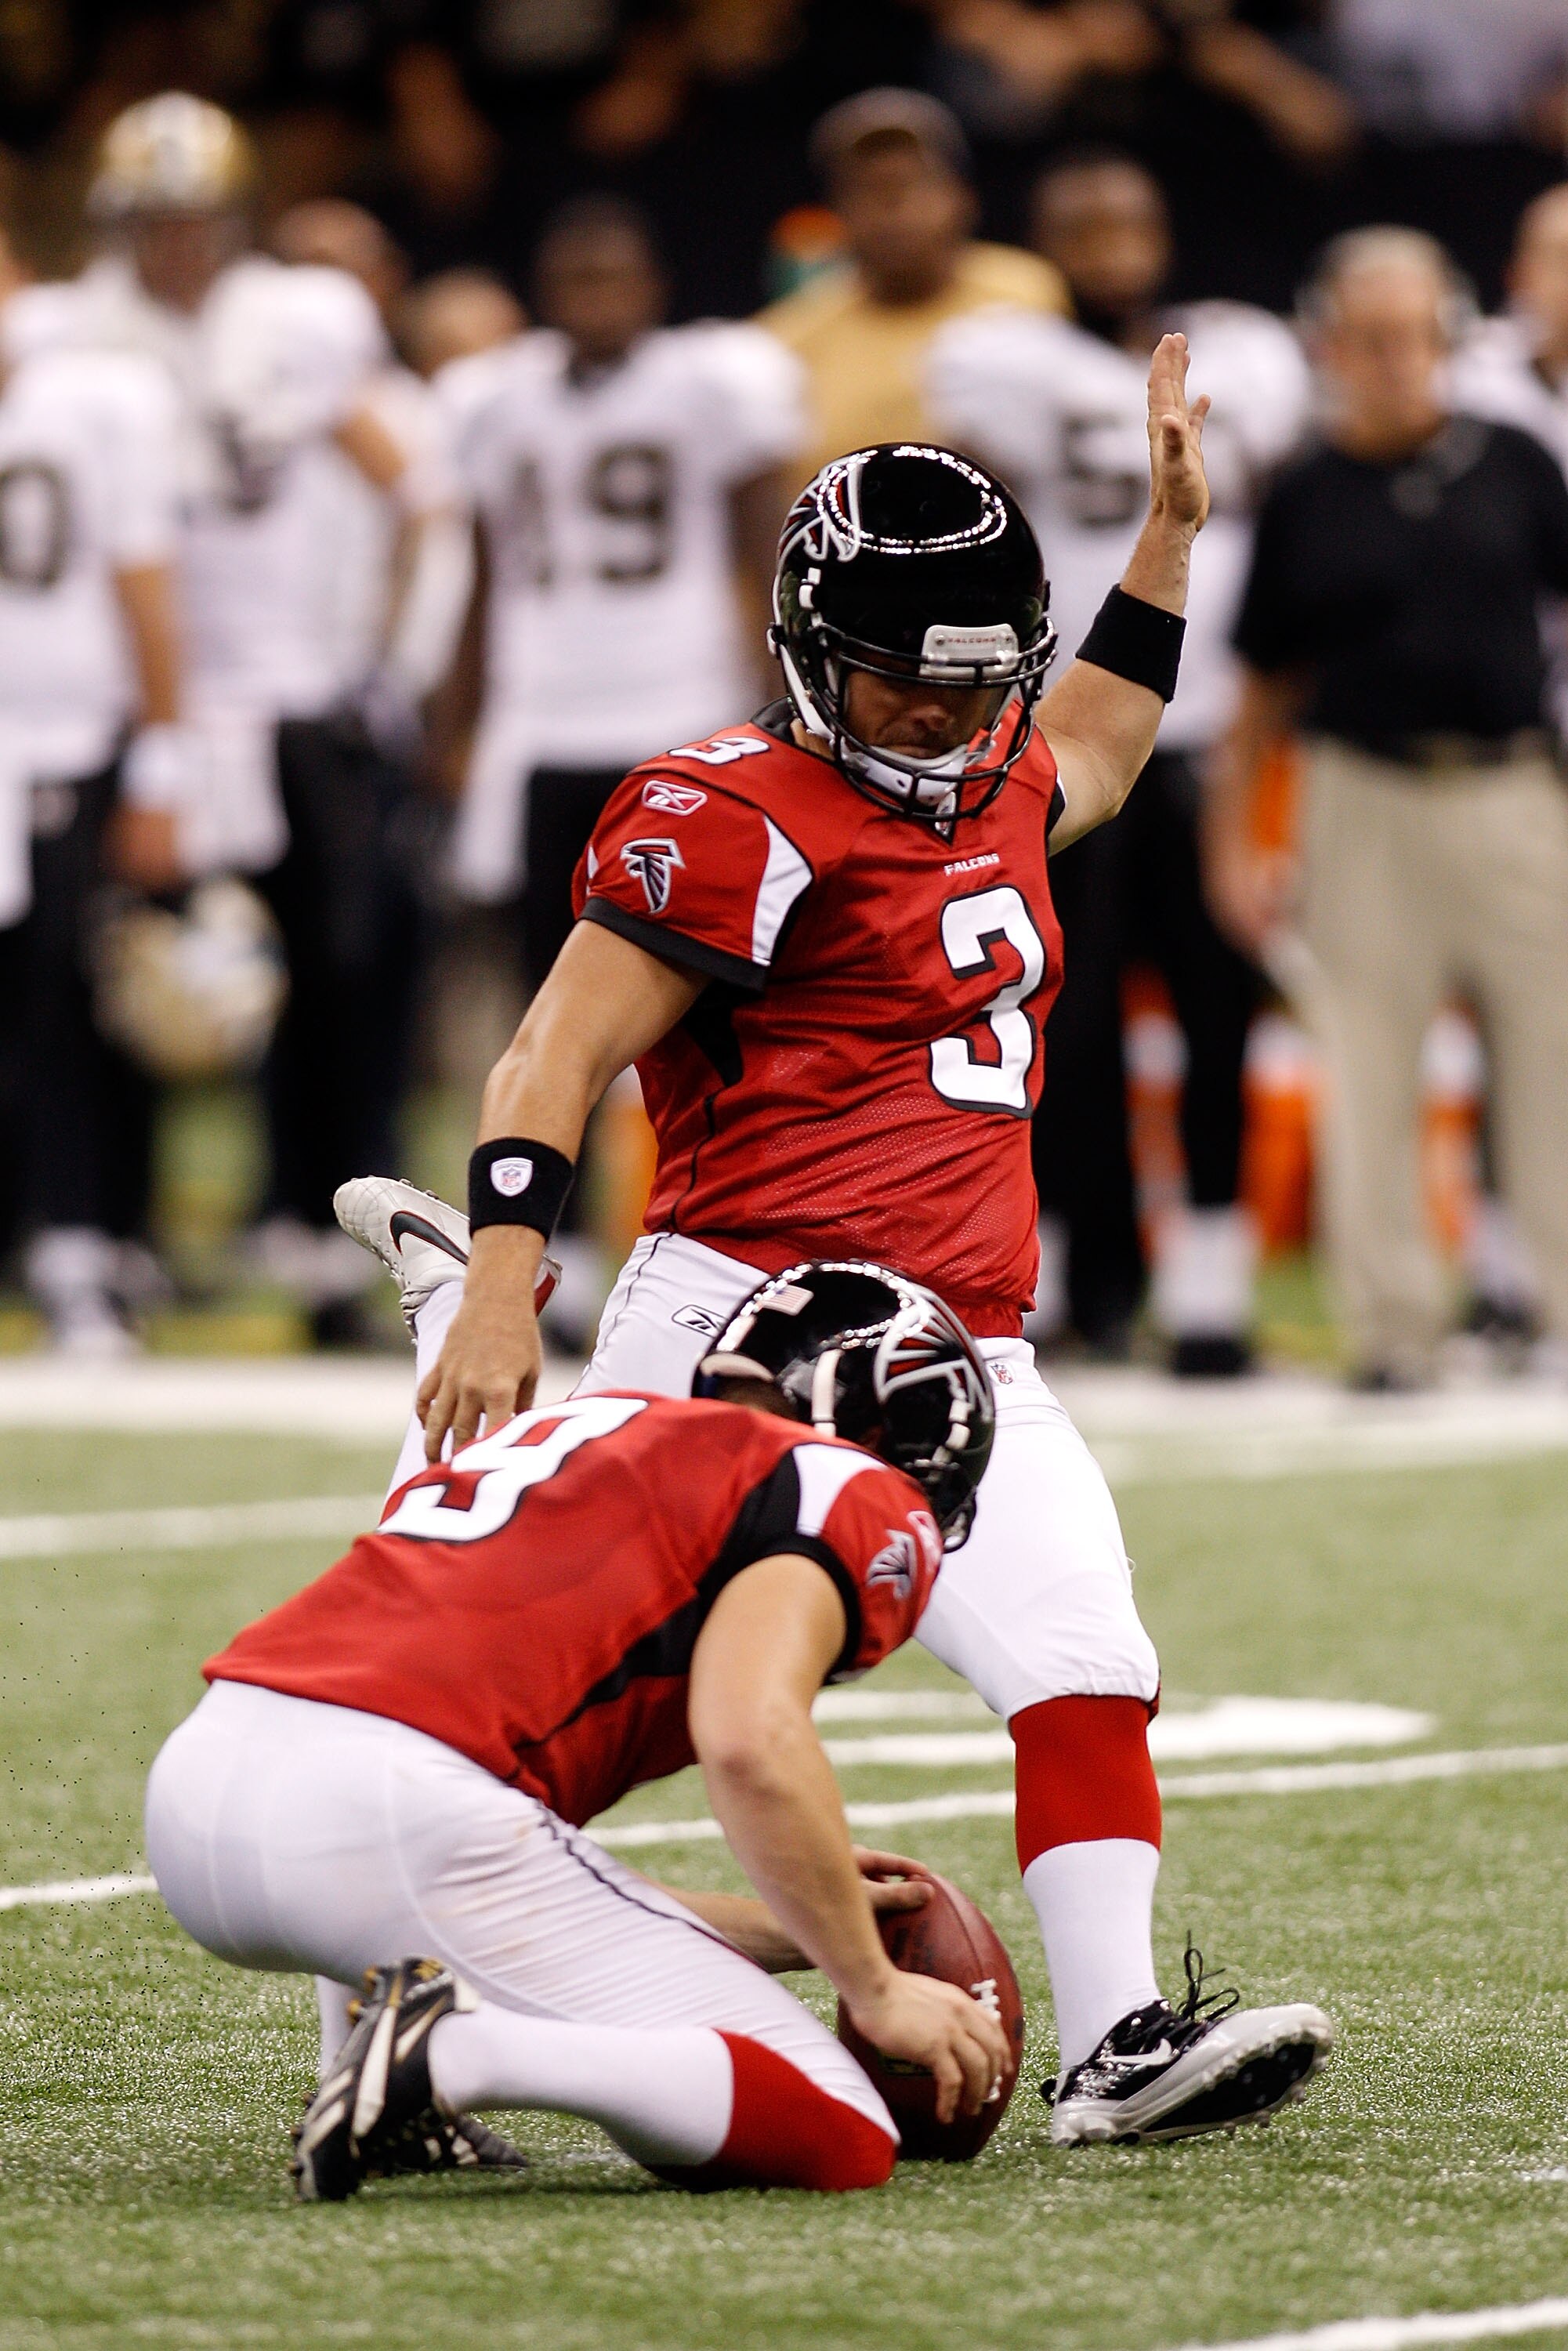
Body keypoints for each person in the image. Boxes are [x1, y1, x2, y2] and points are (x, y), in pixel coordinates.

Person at [389, 347, 1335, 2144]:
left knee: (1080, 1654)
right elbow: (553, 1052)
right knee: (558, 1695)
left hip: (958, 1346)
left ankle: (1113, 2037)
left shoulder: (1001, 777)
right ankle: (417, 2006)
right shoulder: (724, 810)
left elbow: (1109, 730)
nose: (939, 713)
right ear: (811, 652)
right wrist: (509, 1266)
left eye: (976, 678)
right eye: (906, 679)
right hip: (731, 1314)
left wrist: (1161, 536)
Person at [146, 1258, 1011, 2201]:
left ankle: (370, 2065)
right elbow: (748, 1741)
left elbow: (538, 1878)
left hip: (205, 1790)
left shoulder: (587, 1433)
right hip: (390, 1815)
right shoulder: (843, 1485)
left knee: (471, 1822)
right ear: (897, 1431)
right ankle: (457, 2056)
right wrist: (874, 1990)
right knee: (840, 2127)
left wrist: (799, 1926)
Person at [9, 95, 445, 1343]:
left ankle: (326, 1244)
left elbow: (412, 487)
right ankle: (114, 1237)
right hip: (133, 703)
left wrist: (376, 654)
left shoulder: (296, 322)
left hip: (290, 692)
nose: (179, 243)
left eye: (196, 216)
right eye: (155, 219)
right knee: (119, 987)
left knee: (334, 978)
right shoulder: (68, 334)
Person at [927, 151, 1311, 1371]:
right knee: (1060, 1019)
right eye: (1079, 220)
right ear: (1043, 238)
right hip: (1068, 736)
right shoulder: (1000, 361)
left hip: (1206, 735)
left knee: (1216, 1008)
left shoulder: (1244, 353)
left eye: (1125, 217)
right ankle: (1079, 1278)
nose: (1107, 241)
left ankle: (1208, 1288)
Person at [436, 194, 805, 1343]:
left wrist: (783, 709)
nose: (596, 298)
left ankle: (712, 1235)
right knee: (558, 1010)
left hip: (679, 726)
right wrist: (460, 720)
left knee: (708, 1016)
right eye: (576, 276)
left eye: (615, 275)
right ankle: (567, 1253)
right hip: (548, 727)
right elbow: (488, 576)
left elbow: (765, 547)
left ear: (652, 285)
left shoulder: (712, 382)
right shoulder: (496, 401)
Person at [1208, 228, 1568, 1390]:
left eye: (1410, 335)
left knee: (1553, 1061)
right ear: (1329, 346)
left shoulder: (1517, 460)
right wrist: (1231, 845)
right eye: (1365, 337)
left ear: (1447, 338)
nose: (1391, 358)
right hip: (1357, 795)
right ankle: (1393, 1329)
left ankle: (1558, 1306)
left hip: (1515, 786)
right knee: (1368, 1068)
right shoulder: (1306, 490)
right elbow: (1257, 690)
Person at [0, 225, 189, 1352]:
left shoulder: (98, 396)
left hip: (66, 747)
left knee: (73, 1006)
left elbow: (147, 584)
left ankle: (84, 1245)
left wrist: (163, 759)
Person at [758, 88, 1066, 484]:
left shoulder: (1029, 291)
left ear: (962, 198)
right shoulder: (785, 341)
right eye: (869, 189)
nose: (893, 207)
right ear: (837, 211)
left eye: (912, 184)